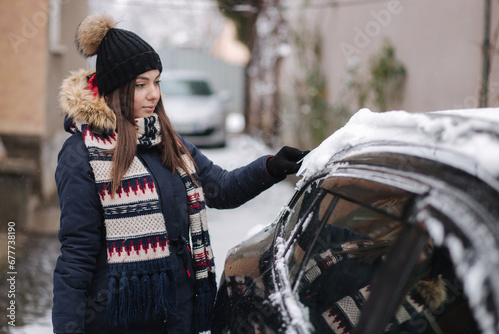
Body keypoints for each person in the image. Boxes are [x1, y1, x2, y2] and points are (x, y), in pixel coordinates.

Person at [52, 13, 308, 334]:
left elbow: (221, 188)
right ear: (115, 90)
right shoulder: (82, 154)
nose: (153, 94)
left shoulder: (169, 141)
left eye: (156, 82)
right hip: (119, 317)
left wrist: (271, 167)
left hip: (178, 309)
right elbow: (77, 257)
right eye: (140, 85)